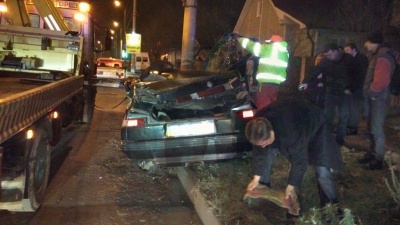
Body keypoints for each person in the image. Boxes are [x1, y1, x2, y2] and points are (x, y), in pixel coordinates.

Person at [245, 99, 343, 218]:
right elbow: (259, 152)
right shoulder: (257, 125)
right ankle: (263, 191)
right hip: (292, 124)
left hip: (317, 127)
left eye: (265, 142)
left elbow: (299, 160)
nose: (263, 146)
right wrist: (256, 178)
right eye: (260, 144)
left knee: (322, 171)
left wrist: (291, 186)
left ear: (271, 132)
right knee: (267, 152)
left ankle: (332, 208)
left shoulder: (291, 132)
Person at [299, 43, 355, 145]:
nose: (328, 57)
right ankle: (327, 138)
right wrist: (306, 82)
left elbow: (356, 74)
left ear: (335, 51)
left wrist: (350, 88)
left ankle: (340, 139)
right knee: (328, 115)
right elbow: (315, 72)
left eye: (329, 55)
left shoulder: (348, 60)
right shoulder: (326, 61)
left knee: (343, 115)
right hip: (331, 90)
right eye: (327, 55)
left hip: (344, 92)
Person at [359, 30, 399, 170]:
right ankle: (372, 153)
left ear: (373, 42)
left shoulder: (382, 57)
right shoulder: (376, 55)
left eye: (367, 41)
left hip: (378, 98)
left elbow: (381, 81)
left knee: (376, 128)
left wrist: (371, 92)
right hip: (375, 97)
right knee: (371, 126)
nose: (365, 44)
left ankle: (378, 159)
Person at [238, 34, 289, 109]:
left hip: (265, 85)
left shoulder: (270, 49)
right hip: (275, 85)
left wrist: (240, 39)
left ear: (272, 42)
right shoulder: (284, 53)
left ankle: (261, 120)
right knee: (271, 106)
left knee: (262, 107)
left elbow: (252, 46)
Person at [344, 43, 369, 135]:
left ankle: (353, 128)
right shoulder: (355, 59)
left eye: (347, 50)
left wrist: (351, 88)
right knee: (355, 108)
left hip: (358, 88)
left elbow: (360, 76)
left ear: (353, 49)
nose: (346, 52)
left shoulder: (359, 59)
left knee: (355, 108)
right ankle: (353, 127)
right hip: (357, 87)